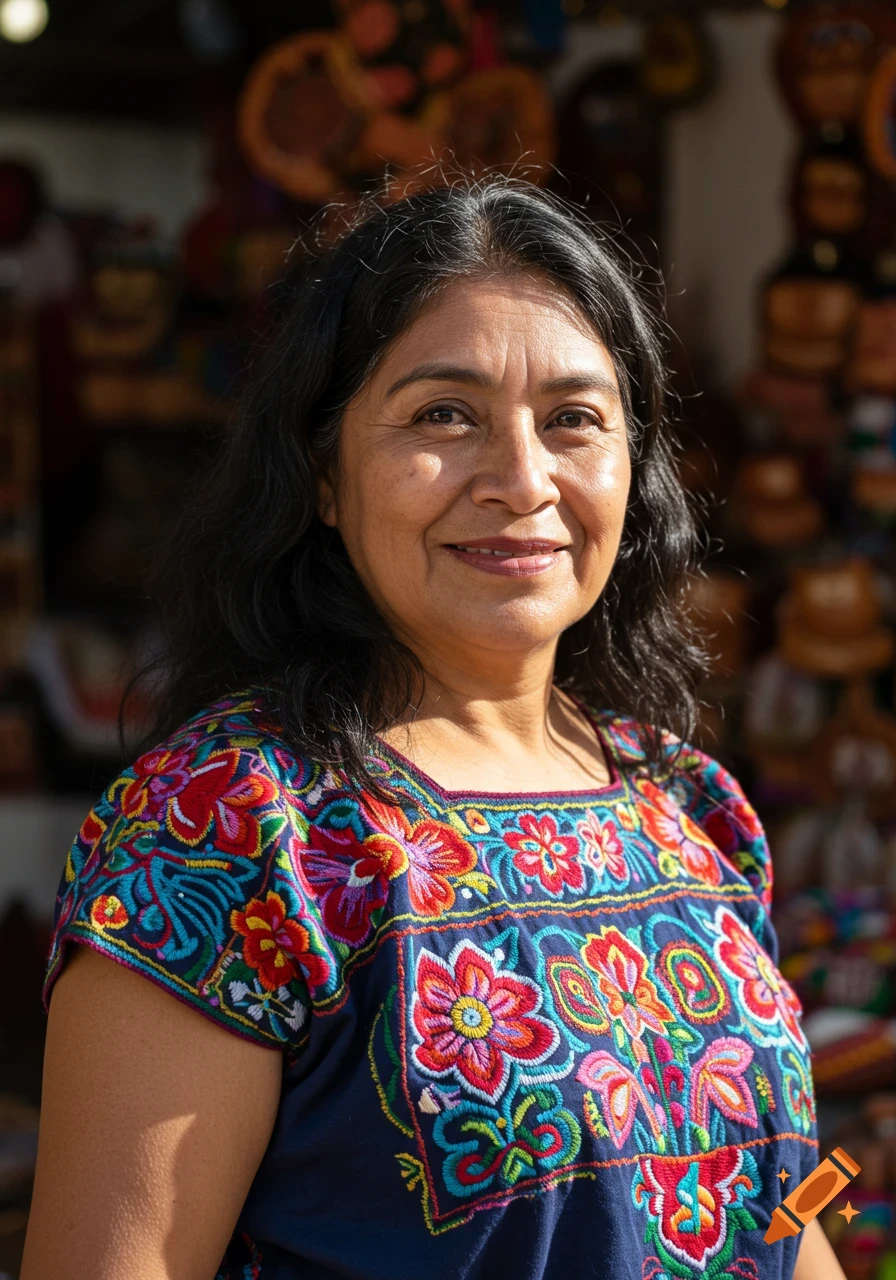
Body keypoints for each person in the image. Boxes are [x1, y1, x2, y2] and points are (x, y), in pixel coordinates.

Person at [21, 178, 843, 1280]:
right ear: (322, 473)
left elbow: (780, 1235)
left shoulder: (686, 804)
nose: (519, 479)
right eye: (442, 415)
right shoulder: (228, 829)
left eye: (572, 420)